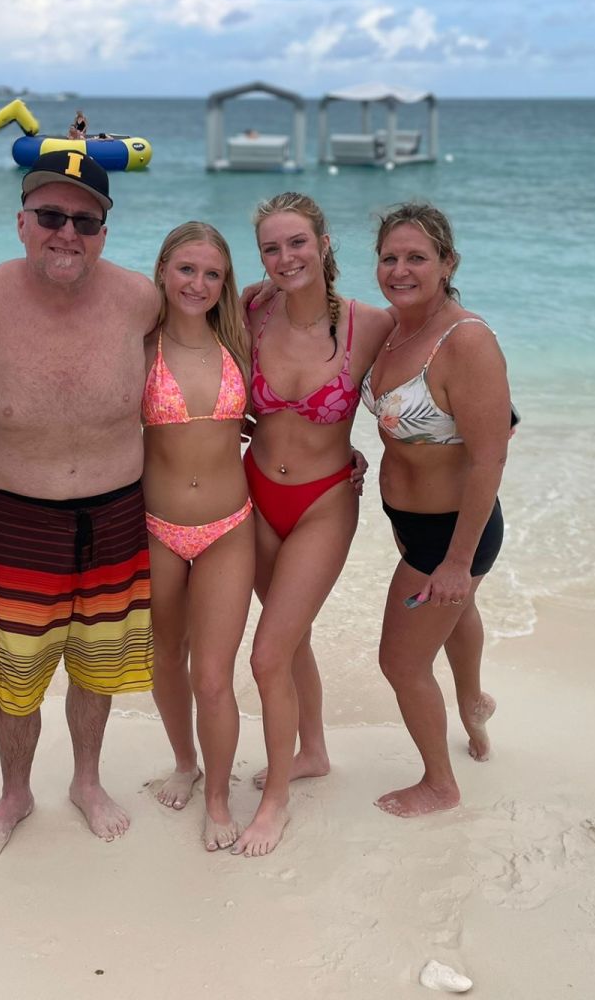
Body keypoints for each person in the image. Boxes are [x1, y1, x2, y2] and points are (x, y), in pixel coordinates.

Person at [0, 151, 162, 859]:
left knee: (99, 662)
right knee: (18, 670)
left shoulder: (141, 299)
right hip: (22, 517)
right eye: (50, 216)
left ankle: (86, 781)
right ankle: (15, 792)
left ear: (104, 232)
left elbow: (193, 365)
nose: (67, 233)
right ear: (21, 222)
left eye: (85, 222)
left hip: (118, 510)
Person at [232, 192, 392, 856]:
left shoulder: (370, 325)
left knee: (266, 653)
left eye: (297, 242)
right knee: (289, 637)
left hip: (324, 501)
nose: (285, 257)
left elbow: (427, 371)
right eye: (271, 247)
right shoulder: (250, 309)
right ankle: (313, 751)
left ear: (324, 243)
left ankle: (275, 803)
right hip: (254, 491)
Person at [361, 201, 512, 817]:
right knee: (458, 612)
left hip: (453, 534)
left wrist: (456, 562)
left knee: (401, 661)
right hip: (410, 522)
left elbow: (490, 458)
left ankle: (440, 785)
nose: (400, 270)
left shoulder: (466, 341)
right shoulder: (392, 328)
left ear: (448, 263)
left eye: (417, 258)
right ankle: (473, 704)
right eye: (389, 257)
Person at [142, 222, 255, 851]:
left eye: (212, 274)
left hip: (229, 527)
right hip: (155, 527)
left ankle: (217, 797)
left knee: (213, 676)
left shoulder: (239, 341)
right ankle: (184, 762)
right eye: (186, 269)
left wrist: (342, 452)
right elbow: (81, 413)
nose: (198, 284)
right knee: (166, 655)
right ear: (163, 269)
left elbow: (295, 411)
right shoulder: (139, 346)